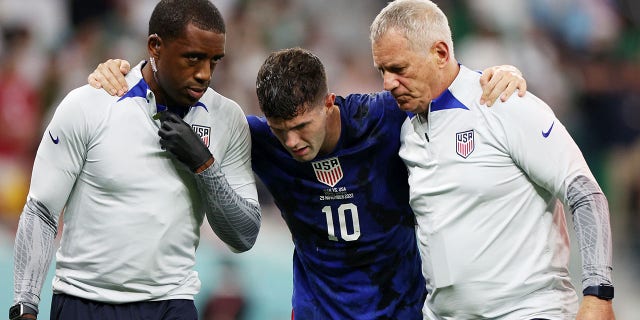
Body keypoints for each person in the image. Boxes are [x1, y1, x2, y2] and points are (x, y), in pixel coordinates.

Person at [89, 49, 525, 318]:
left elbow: (447, 87)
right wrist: (121, 74)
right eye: (280, 130)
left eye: (301, 126)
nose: (292, 143)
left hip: (402, 309)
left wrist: (499, 75)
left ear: (329, 103)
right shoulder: (259, 138)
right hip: (318, 311)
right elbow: (167, 95)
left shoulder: (384, 118)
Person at [10, 1, 261, 319]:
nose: (204, 74)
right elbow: (42, 211)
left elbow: (244, 236)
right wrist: (25, 305)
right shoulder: (90, 104)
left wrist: (204, 165)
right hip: (84, 301)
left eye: (215, 61)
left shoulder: (227, 118)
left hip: (172, 303)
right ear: (155, 46)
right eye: (193, 58)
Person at [369, 1, 615, 319]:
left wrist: (598, 294)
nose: (388, 83)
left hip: (529, 311)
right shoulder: (404, 128)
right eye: (382, 71)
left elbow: (584, 192)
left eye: (399, 69)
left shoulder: (502, 102)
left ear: (440, 53)